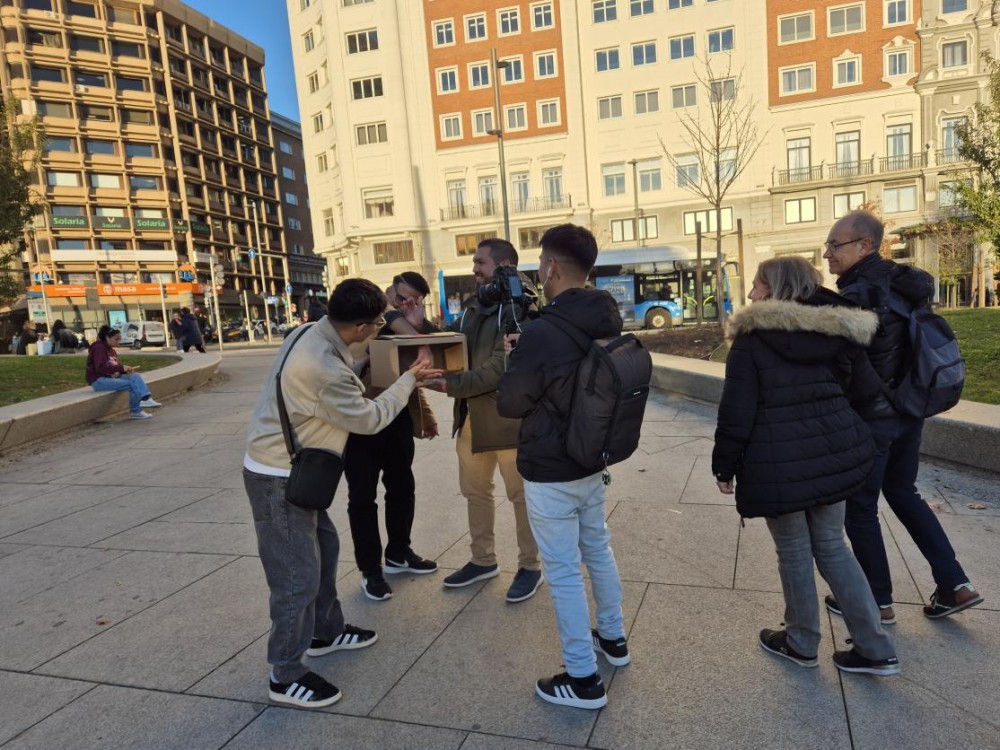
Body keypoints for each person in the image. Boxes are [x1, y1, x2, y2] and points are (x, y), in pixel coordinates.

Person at [243, 278, 440, 709]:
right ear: (361, 327)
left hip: (292, 468)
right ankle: (285, 674)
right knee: (295, 578)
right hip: (278, 478)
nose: (379, 328)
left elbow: (338, 375)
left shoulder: (309, 332)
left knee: (325, 550)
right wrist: (408, 381)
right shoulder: (323, 368)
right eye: (377, 323)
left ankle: (325, 632)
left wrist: (366, 364)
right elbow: (369, 418)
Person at [713, 256, 900, 677]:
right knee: (834, 546)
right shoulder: (839, 330)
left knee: (794, 550)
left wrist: (724, 466)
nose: (751, 294)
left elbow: (736, 412)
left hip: (778, 462)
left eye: (758, 285)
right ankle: (876, 648)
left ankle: (801, 641)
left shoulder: (752, 338)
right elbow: (866, 391)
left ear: (777, 288)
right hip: (835, 455)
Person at [823, 210, 983, 621]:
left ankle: (876, 600)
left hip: (874, 418)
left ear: (865, 246)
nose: (827, 254)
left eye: (835, 245)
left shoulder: (861, 294)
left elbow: (849, 366)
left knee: (860, 506)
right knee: (903, 492)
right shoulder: (903, 284)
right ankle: (956, 584)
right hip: (909, 410)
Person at [497, 224, 629, 709]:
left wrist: (516, 361)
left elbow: (511, 403)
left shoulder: (543, 332)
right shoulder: (607, 317)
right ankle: (613, 638)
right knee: (598, 547)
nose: (538, 271)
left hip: (551, 465)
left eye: (540, 263)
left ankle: (582, 678)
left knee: (563, 570)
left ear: (551, 266)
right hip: (592, 458)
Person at [426, 238, 543, 604]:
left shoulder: (521, 304)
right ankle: (483, 560)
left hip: (508, 421)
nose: (474, 268)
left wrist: (450, 385)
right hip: (472, 417)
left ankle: (530, 566)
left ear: (504, 264)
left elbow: (500, 367)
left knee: (520, 496)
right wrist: (420, 328)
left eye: (480, 262)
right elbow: (455, 343)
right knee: (475, 492)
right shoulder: (478, 303)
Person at [344, 272, 440, 601]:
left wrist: (426, 416)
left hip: (396, 418)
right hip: (360, 421)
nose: (405, 305)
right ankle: (370, 570)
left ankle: (399, 553)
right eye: (402, 298)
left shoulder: (409, 324)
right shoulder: (377, 314)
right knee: (362, 498)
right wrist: (417, 333)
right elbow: (401, 328)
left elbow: (414, 373)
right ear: (390, 292)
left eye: (415, 301)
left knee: (402, 487)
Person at [86, 325, 163, 420]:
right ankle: (135, 411)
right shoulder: (99, 348)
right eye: (116, 339)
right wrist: (121, 368)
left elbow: (113, 366)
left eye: (119, 339)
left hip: (109, 377)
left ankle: (146, 398)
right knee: (130, 384)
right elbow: (100, 367)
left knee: (135, 376)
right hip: (98, 380)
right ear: (107, 338)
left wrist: (122, 371)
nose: (118, 342)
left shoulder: (111, 350)